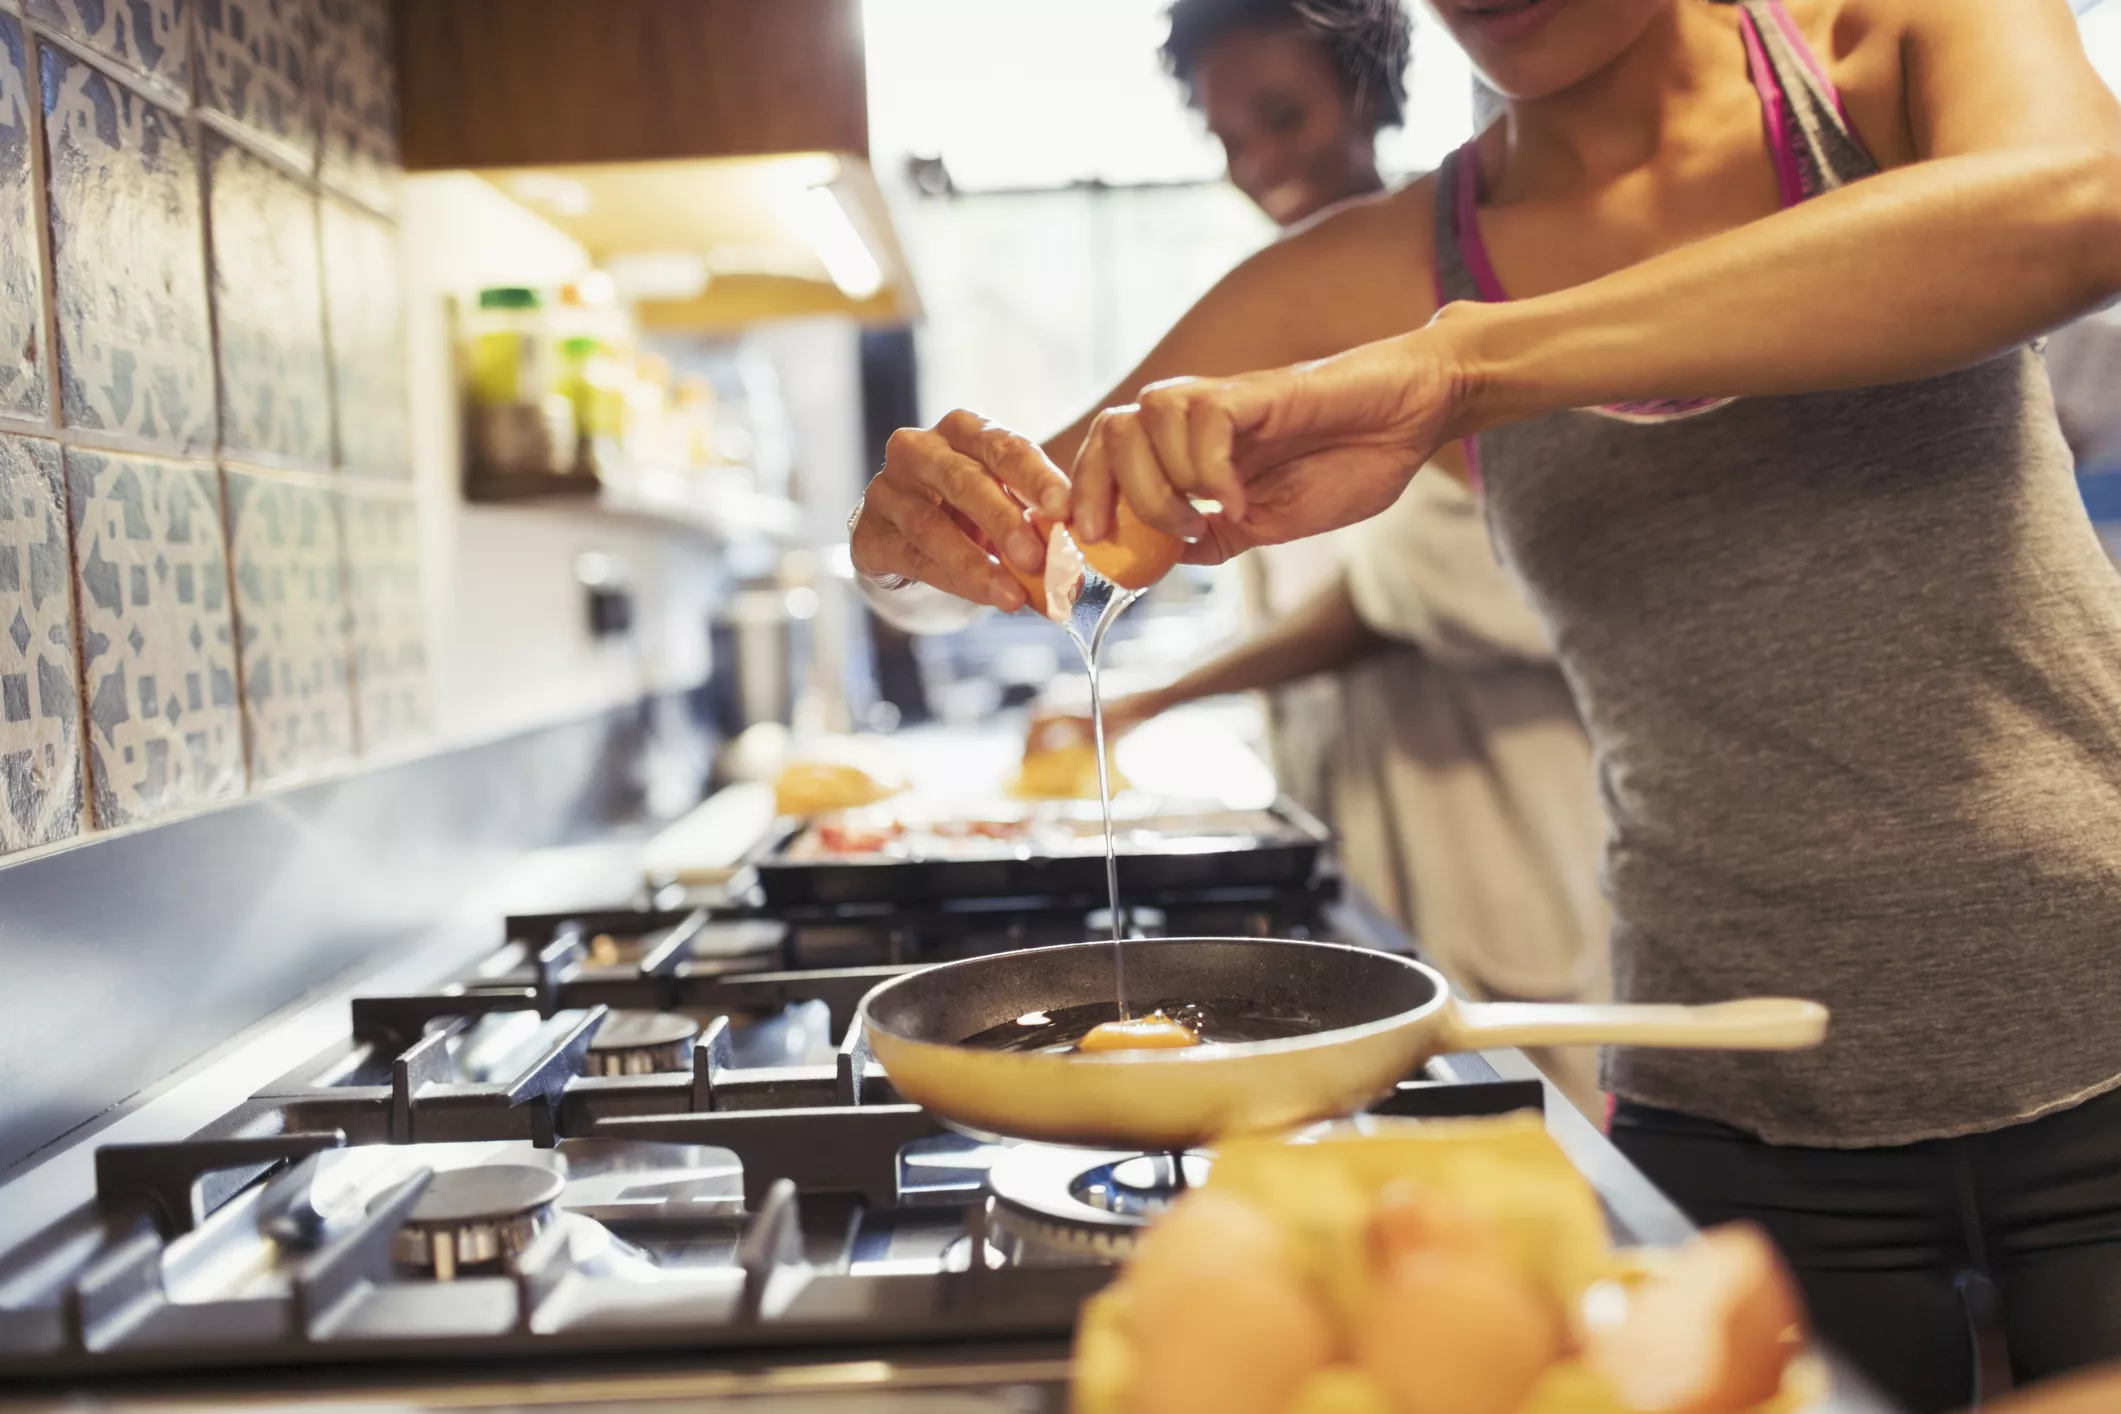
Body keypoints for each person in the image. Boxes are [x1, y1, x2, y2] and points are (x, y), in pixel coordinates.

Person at [849, 0, 2121, 1407]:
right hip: (1735, 1101)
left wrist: (1467, 362)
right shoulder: (1374, 265)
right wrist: (900, 540)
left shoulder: (1886, 43)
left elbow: (2078, 206)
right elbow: (1010, 544)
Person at [864, 0, 1614, 1114]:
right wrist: (904, 540)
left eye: (1282, 114)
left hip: (1504, 826)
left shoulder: (1477, 287)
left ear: (1368, 89)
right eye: (1228, 139)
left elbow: (1392, 600)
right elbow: (1052, 503)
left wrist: (1157, 695)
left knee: (1522, 1126)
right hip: (1369, 820)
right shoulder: (1286, 301)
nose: (1258, 161)